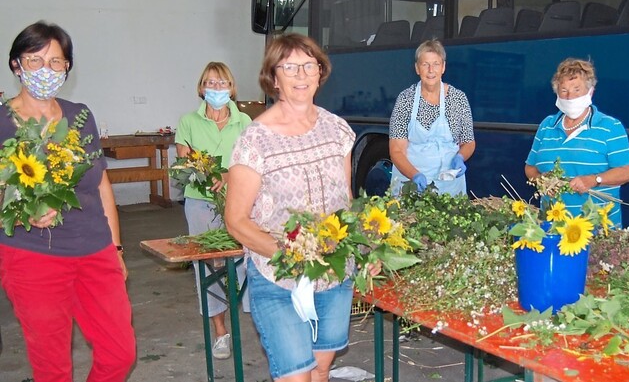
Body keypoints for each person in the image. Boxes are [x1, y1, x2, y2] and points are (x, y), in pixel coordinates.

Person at [225, 33, 370, 382]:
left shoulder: (338, 131)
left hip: (334, 276)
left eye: (309, 65)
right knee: (296, 376)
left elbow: (345, 201)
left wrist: (365, 245)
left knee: (320, 370)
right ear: (274, 78)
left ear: (321, 72)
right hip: (279, 281)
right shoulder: (255, 140)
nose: (301, 75)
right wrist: (291, 256)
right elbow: (236, 221)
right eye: (290, 67)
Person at [0, 21, 135, 381]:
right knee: (52, 367)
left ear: (68, 68)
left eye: (56, 62)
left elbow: (101, 184)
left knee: (120, 353)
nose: (46, 70)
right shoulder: (2, 121)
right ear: (16, 65)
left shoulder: (80, 116)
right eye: (34, 60)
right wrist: (23, 211)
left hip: (95, 250)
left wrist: (116, 249)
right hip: (33, 258)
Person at [175, 62, 252, 360]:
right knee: (208, 264)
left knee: (246, 256)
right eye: (210, 83)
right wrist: (210, 175)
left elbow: (252, 162)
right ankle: (221, 331)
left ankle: (257, 319)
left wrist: (229, 177)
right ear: (201, 88)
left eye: (222, 83)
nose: (216, 89)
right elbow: (186, 161)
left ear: (231, 88)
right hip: (200, 200)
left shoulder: (244, 121)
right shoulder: (188, 122)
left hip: (241, 200)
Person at [524, 58, 629, 225]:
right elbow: (530, 168)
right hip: (551, 226)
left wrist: (594, 180)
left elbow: (626, 172)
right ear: (556, 93)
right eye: (564, 90)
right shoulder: (546, 126)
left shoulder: (610, 127)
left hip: (597, 230)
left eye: (577, 90)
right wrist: (541, 180)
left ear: (590, 92)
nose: (570, 96)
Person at [389, 39, 475, 196]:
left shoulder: (458, 98)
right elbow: (396, 150)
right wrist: (414, 175)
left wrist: (461, 157)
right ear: (417, 68)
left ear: (443, 67)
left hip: (450, 188)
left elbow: (468, 142)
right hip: (412, 186)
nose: (430, 70)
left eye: (436, 64)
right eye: (425, 64)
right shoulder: (405, 100)